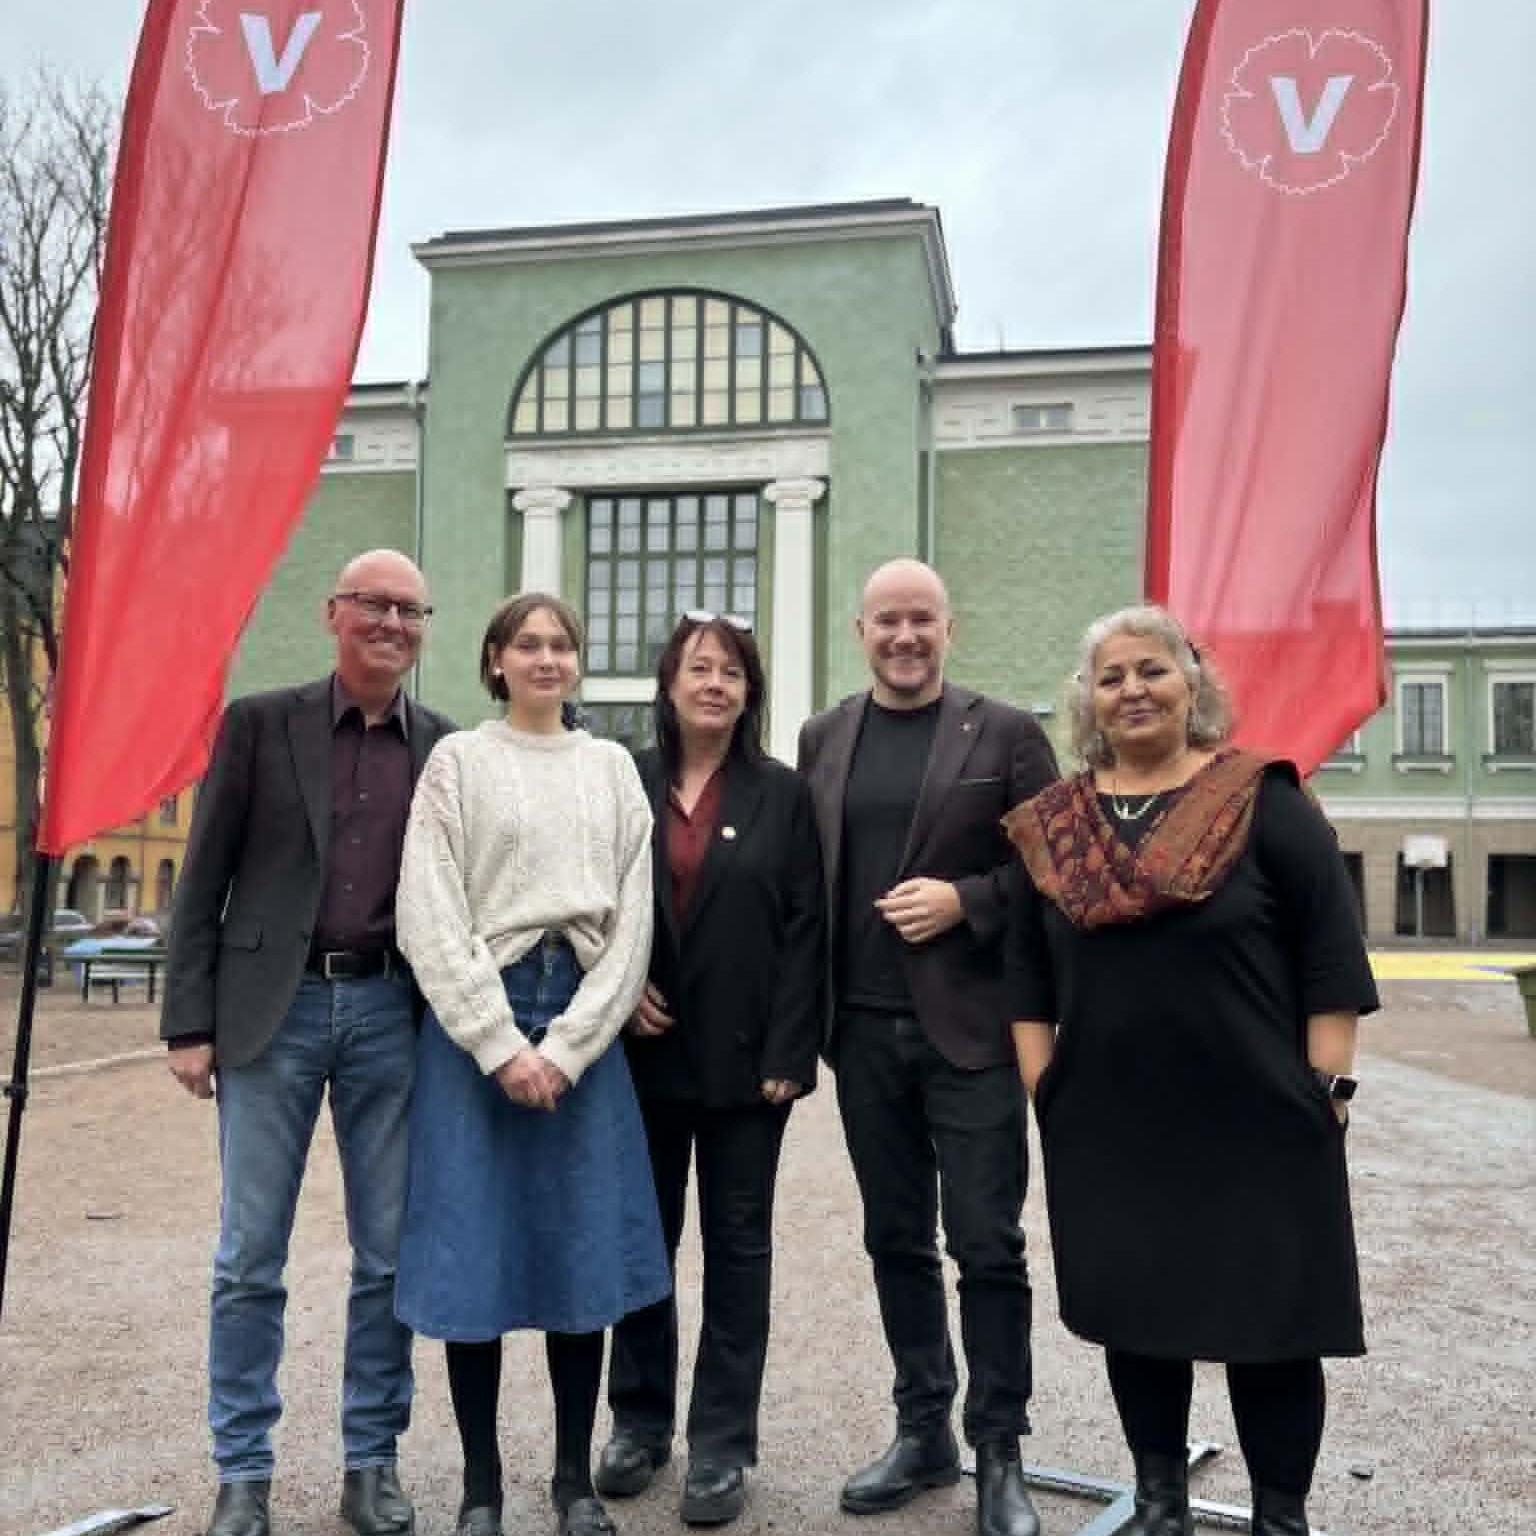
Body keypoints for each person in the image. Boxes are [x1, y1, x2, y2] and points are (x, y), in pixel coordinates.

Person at [1002, 605, 1378, 1536]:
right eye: (1112, 676)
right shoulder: (1054, 828)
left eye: (1152, 670)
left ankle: (1278, 1517)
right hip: (1112, 1126)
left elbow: (1331, 955)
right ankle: (1160, 1504)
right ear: (1088, 700)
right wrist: (1048, 1092)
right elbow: (1023, 979)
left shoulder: (1263, 799)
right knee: (1140, 1318)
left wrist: (1325, 1094)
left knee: (1274, 1329)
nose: (1132, 689)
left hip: (1263, 1121)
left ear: (1192, 684)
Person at [161, 550, 455, 1536]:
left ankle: (370, 1463)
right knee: (251, 1256)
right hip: (268, 1015)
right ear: (333, 614)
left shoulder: (442, 749)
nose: (390, 622)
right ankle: (243, 1472)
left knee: (387, 1259)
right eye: (372, 603)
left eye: (409, 610)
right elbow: (202, 878)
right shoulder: (258, 724)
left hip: (389, 1014)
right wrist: (188, 1022)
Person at [393, 592, 669, 1536]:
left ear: (577, 664)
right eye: (528, 644)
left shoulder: (611, 771)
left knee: (578, 1254)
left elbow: (633, 922)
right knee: (476, 1257)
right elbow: (427, 908)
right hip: (480, 1019)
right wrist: (500, 1042)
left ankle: (570, 1480)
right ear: (496, 660)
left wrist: (571, 1045)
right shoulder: (458, 763)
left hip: (582, 1017)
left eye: (561, 645)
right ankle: (480, 1488)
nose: (546, 659)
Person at [796, 558, 1058, 1536]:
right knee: (895, 1239)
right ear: (861, 630)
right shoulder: (824, 737)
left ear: (949, 628)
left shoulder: (1005, 733)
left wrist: (969, 900)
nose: (904, 637)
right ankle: (923, 1430)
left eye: (922, 621)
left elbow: (1053, 867)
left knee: (986, 1244)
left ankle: (1001, 1451)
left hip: (972, 1035)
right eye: (887, 621)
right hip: (860, 1033)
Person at [595, 613, 825, 1528]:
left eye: (731, 671)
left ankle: (723, 1444)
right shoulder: (623, 781)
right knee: (641, 1243)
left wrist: (790, 1051)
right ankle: (638, 1423)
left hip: (746, 1072)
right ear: (669, 684)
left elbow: (807, 925)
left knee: (737, 1254)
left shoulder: (783, 794)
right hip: (640, 1057)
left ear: (749, 690)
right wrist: (613, 994)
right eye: (698, 668)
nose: (714, 684)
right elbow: (588, 903)